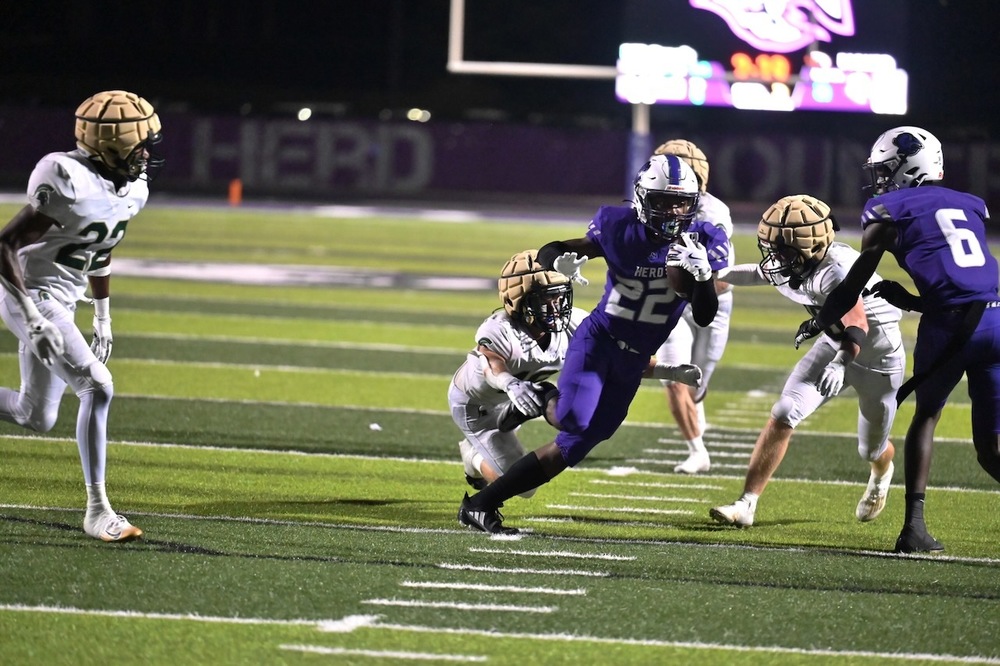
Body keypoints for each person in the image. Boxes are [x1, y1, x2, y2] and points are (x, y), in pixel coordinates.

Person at [456, 154, 727, 534]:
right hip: (600, 339)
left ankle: (481, 504)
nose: (673, 210)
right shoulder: (618, 226)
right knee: (573, 418)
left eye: (681, 202)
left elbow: (703, 315)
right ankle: (543, 394)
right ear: (643, 198)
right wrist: (560, 263)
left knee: (575, 446)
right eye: (663, 200)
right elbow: (553, 248)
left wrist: (702, 279)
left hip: (634, 359)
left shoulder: (704, 240)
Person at [794, 126, 1000, 554]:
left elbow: (851, 287)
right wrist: (913, 300)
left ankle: (914, 529)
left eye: (886, 170)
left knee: (926, 415)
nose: (881, 180)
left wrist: (820, 321)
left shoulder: (886, 210)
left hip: (950, 328)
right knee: (991, 449)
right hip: (996, 321)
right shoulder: (970, 205)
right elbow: (966, 283)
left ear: (909, 166)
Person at [0, 90, 164, 543]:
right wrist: (33, 319)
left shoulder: (134, 190)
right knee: (97, 384)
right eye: (137, 144)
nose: (145, 152)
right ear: (110, 146)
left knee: (36, 415)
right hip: (28, 292)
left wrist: (103, 315)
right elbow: (5, 246)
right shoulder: (66, 174)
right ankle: (98, 510)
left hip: (64, 299)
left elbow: (100, 251)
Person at [709, 194, 903, 528]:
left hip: (877, 359)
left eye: (780, 250)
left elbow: (857, 324)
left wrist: (842, 362)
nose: (773, 257)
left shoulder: (836, 270)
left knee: (870, 450)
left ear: (810, 246)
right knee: (785, 412)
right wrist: (710, 275)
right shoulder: (793, 264)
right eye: (770, 247)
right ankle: (746, 504)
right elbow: (757, 273)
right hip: (833, 344)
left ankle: (882, 470)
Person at [448, 249, 588, 492]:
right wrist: (509, 384)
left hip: (519, 393)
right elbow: (491, 363)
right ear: (520, 300)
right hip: (477, 407)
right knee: (524, 487)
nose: (556, 308)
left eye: (560, 298)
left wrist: (668, 370)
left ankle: (518, 410)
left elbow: (613, 343)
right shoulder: (500, 328)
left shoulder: (574, 322)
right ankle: (473, 456)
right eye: (546, 300)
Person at [651, 139, 734, 474]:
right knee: (674, 377)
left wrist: (694, 279)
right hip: (669, 300)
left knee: (697, 384)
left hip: (710, 298)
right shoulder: (646, 208)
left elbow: (723, 279)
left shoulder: (712, 215)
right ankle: (697, 450)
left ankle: (697, 410)